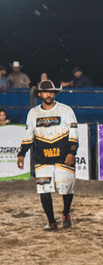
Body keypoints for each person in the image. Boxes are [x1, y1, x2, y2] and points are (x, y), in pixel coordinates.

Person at [17, 80, 78, 231]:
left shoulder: (66, 110)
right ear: (40, 94)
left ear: (54, 93)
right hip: (42, 158)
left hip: (63, 157)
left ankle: (66, 213)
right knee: (44, 189)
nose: (48, 94)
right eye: (45, 92)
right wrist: (21, 154)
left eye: (51, 92)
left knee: (67, 188)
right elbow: (28, 135)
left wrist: (71, 152)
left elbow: (74, 133)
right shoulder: (33, 113)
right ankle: (51, 222)